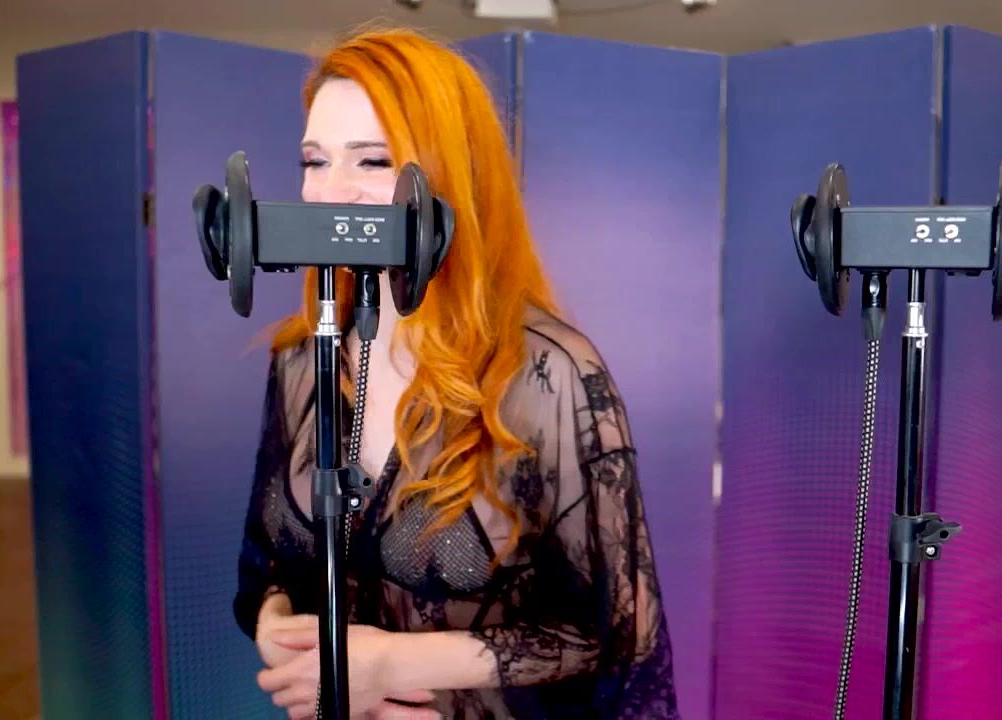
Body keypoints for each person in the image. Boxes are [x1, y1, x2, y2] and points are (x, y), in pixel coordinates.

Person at [232, 25, 680, 720]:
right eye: (314, 161)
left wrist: (390, 664)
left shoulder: (547, 374)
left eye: (374, 160)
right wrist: (280, 631)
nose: (331, 191)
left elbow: (617, 629)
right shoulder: (303, 358)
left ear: (448, 176)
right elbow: (265, 564)